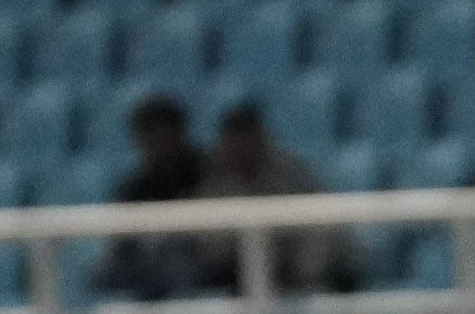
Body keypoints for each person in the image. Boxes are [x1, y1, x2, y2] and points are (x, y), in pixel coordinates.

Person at [197, 102, 354, 292]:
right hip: (235, 276)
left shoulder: (290, 172)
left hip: (296, 269)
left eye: (248, 135)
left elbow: (323, 220)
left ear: (261, 137)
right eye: (236, 137)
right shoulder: (213, 179)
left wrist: (297, 268)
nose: (243, 145)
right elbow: (209, 244)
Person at [103, 95, 209, 298]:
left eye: (161, 135)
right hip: (151, 275)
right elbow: (121, 249)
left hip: (201, 269)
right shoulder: (133, 189)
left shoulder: (208, 174)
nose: (156, 144)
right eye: (147, 135)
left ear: (179, 134)